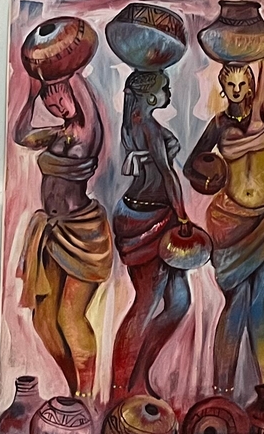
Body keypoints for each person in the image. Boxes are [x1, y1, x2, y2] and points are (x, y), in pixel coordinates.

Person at [185, 55, 264, 390]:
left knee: (259, 307)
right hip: (230, 223)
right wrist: (211, 175)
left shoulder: (259, 113)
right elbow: (191, 166)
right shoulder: (218, 125)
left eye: (242, 83)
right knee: (235, 304)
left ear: (250, 87)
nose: (236, 89)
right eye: (230, 84)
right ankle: (222, 390)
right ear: (222, 87)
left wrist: (252, 47)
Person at [12, 60, 113, 397]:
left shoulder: (88, 132)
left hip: (83, 233)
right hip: (52, 232)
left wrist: (62, 68)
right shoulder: (58, 134)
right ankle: (75, 391)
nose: (58, 108)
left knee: (70, 317)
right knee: (43, 321)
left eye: (62, 100)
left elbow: (79, 88)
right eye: (52, 105)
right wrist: (32, 94)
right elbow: (21, 135)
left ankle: (87, 395)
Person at [108, 69, 195, 401]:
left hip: (158, 215)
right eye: (164, 88)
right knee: (146, 303)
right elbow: (167, 175)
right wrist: (183, 215)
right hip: (147, 219)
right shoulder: (148, 128)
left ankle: (139, 375)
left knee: (179, 302)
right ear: (149, 95)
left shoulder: (136, 124)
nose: (169, 93)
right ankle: (121, 388)